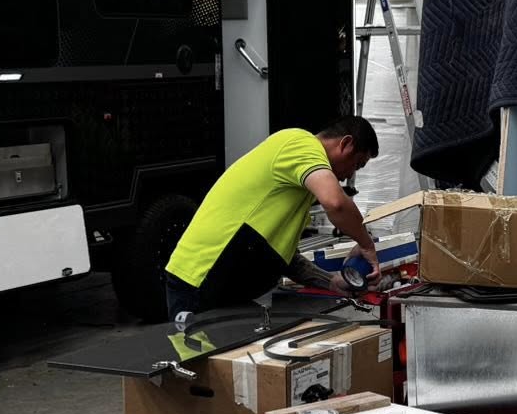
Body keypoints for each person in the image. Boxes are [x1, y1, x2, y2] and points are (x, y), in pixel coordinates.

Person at [162, 116, 382, 320]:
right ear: (345, 144)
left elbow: (286, 257)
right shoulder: (301, 144)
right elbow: (336, 203)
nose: (350, 175)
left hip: (226, 289)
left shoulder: (300, 187)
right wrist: (366, 244)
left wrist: (331, 282)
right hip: (199, 279)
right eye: (357, 164)